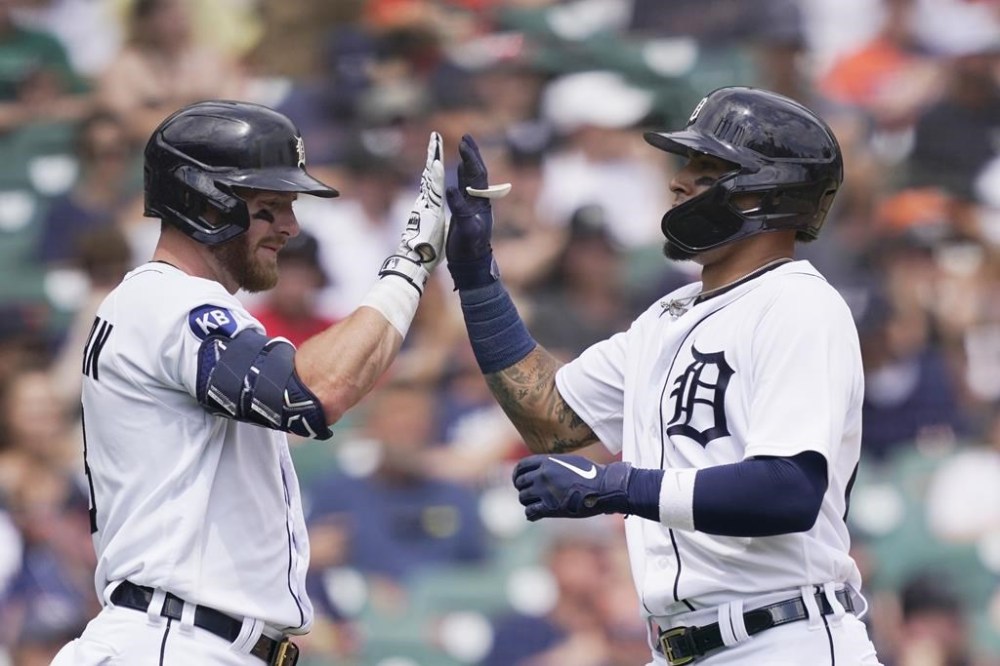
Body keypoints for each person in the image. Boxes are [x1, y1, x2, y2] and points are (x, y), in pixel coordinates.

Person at [443, 86, 882, 665]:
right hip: (683, 645)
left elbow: (787, 491)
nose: (678, 182)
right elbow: (551, 417)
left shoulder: (798, 305)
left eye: (705, 170)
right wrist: (477, 277)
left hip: (783, 635)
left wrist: (621, 488)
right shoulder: (666, 317)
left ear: (764, 194)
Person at [50, 100, 446, 665]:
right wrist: (410, 262)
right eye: (270, 207)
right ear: (201, 200)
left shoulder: (167, 304)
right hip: (172, 639)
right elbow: (314, 392)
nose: (290, 226)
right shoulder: (164, 299)